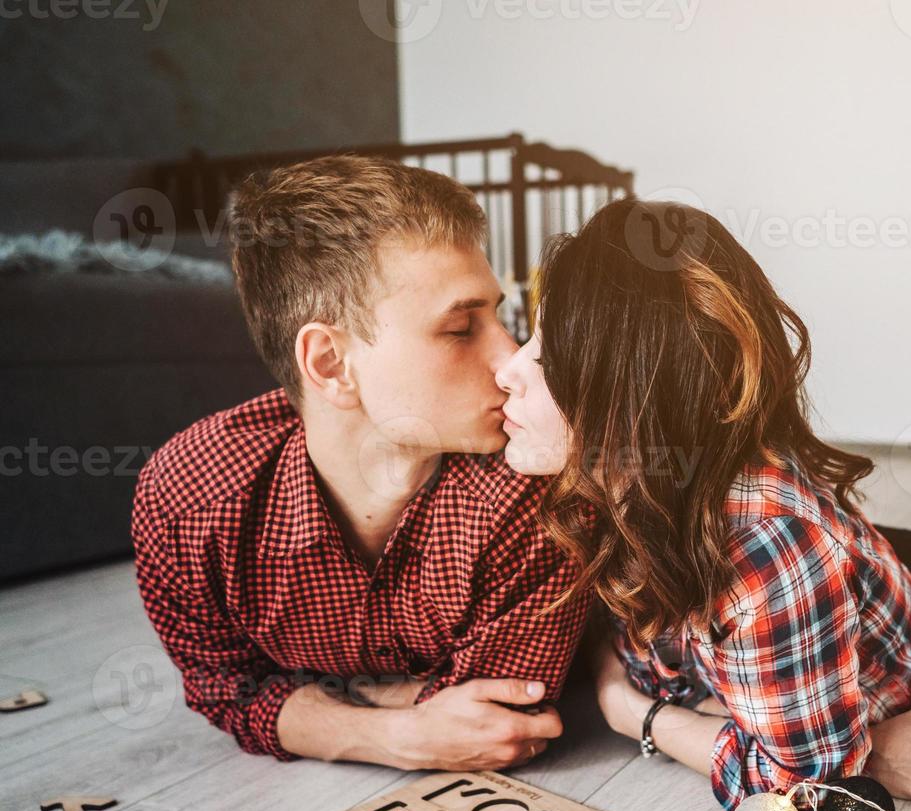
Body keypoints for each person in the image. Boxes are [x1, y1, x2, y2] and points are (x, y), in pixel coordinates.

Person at [492, 198, 911, 811]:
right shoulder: (614, 475)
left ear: (634, 394)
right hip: (852, 568)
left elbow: (802, 785)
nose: (506, 368)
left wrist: (632, 713)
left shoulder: (766, 549)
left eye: (544, 356)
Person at [130, 156, 585, 770]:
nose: (512, 359)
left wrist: (306, 694)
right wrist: (402, 736)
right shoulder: (189, 498)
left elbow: (504, 722)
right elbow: (221, 685)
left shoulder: (537, 486)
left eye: (500, 317)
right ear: (330, 365)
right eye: (459, 328)